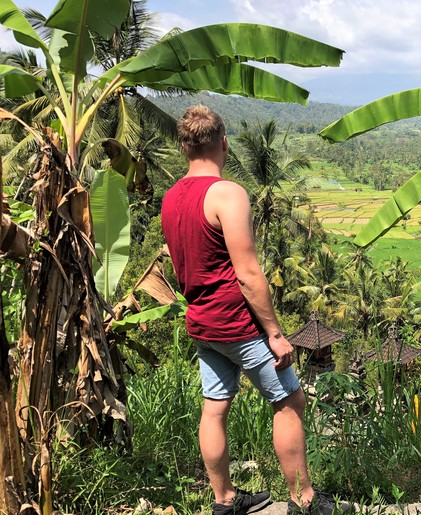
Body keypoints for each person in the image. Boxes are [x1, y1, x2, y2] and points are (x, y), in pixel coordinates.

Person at [161, 106, 344, 515]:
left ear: (184, 147)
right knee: (289, 402)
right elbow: (247, 273)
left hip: (202, 323)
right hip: (239, 324)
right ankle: (304, 500)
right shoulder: (227, 193)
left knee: (215, 407)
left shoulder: (171, 198)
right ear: (223, 143)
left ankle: (224, 500)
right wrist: (275, 334)